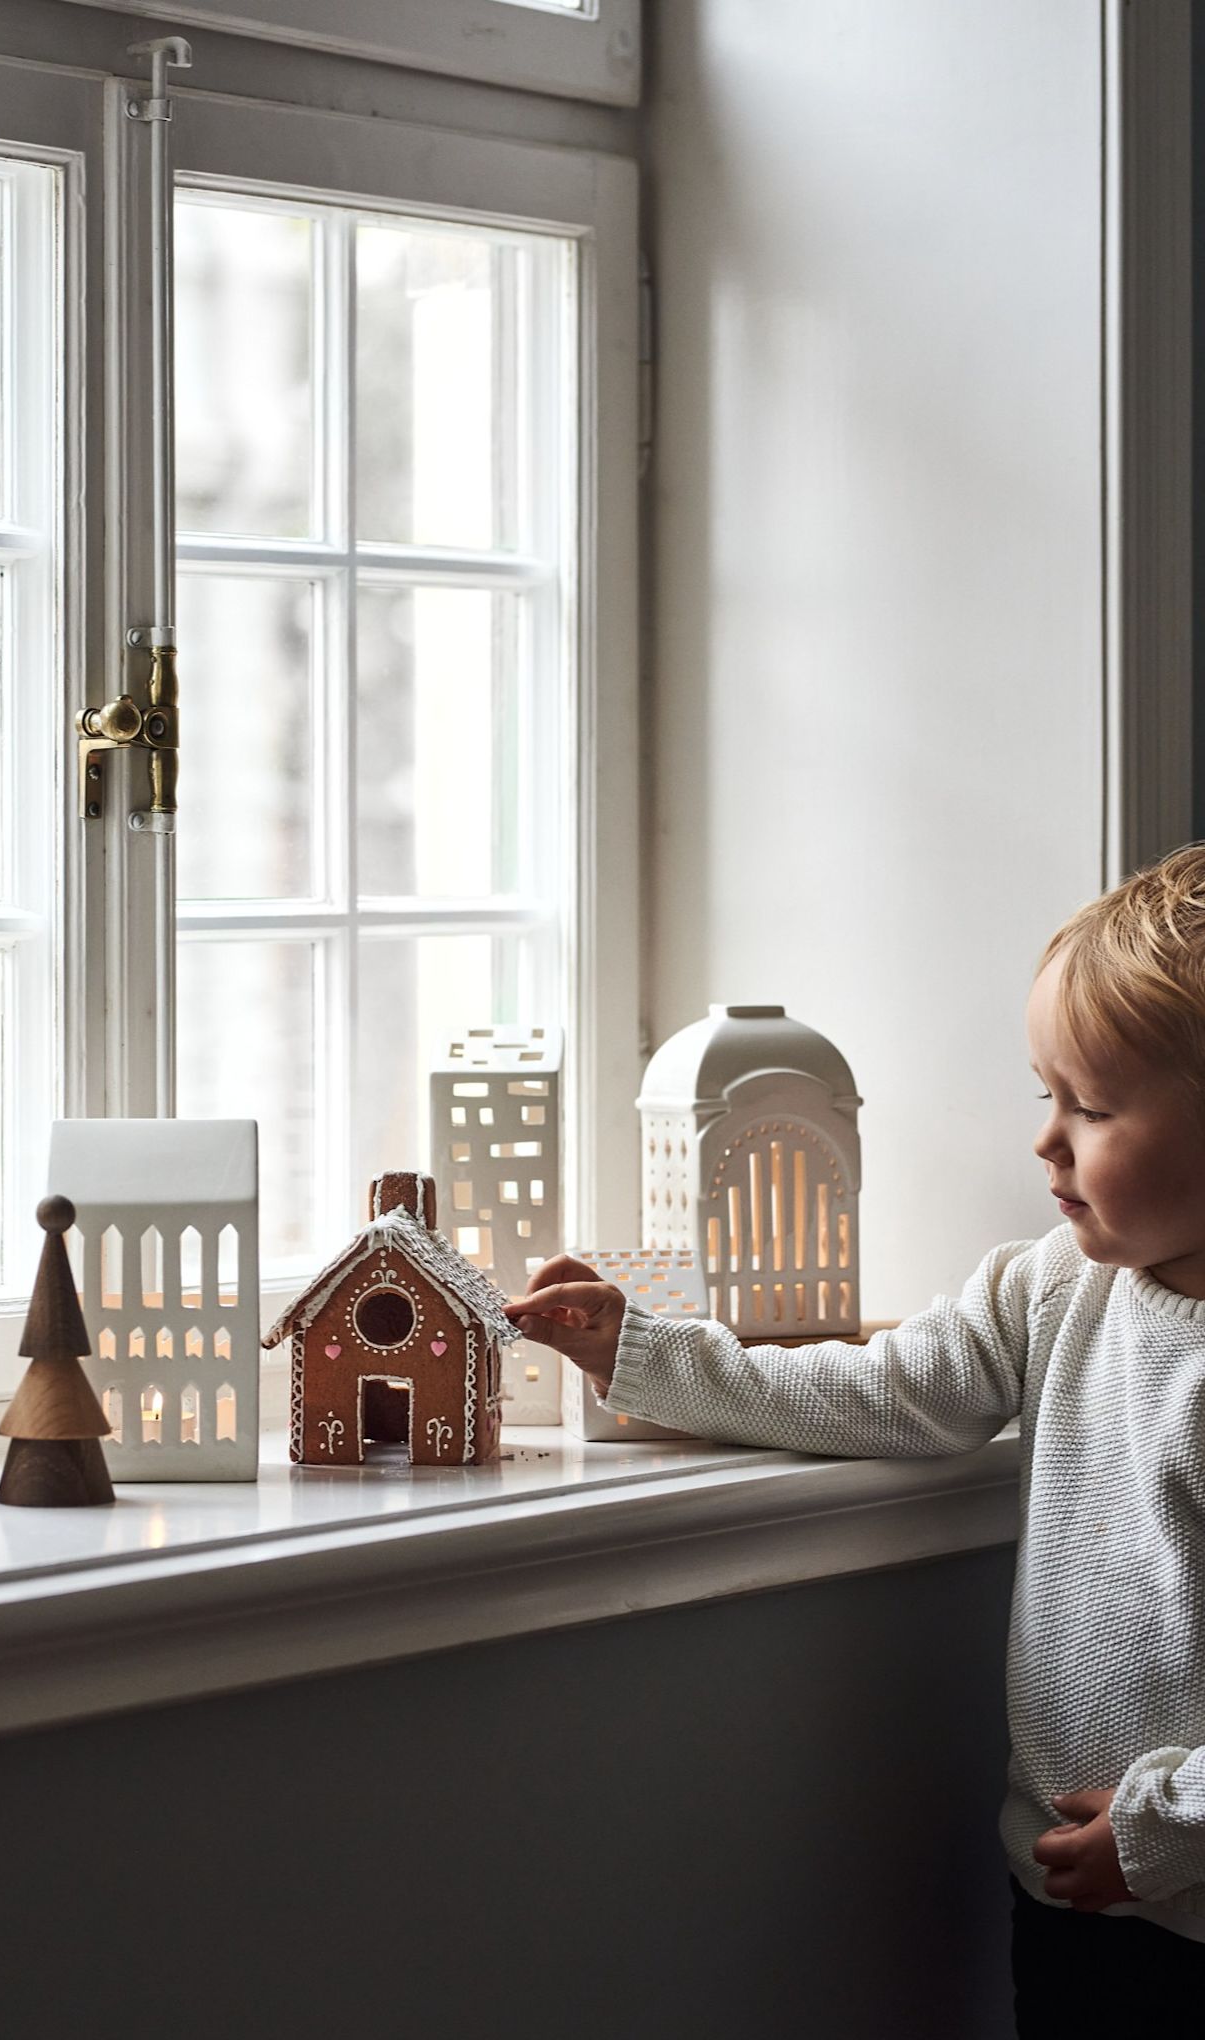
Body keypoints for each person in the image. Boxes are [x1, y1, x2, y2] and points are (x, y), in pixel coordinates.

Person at [505, 845, 1205, 2036]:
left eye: (1089, 1108)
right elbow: (891, 1388)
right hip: (1066, 1879)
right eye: (1045, 1094)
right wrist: (646, 1356)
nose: (1045, 1142)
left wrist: (1170, 1828)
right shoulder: (1052, 1289)